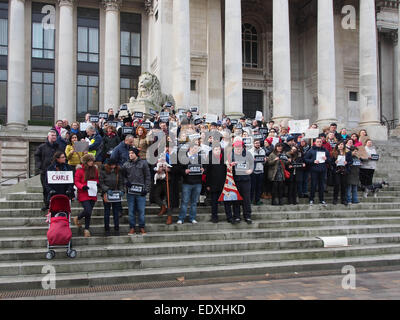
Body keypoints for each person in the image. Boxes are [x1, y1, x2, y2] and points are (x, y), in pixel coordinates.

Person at [121, 147, 151, 235]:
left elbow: (148, 177)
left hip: (141, 191)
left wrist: (146, 189)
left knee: (141, 211)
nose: (130, 155)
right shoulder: (126, 164)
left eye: (132, 153)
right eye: (129, 153)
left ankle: (142, 227)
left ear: (136, 154)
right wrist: (126, 183)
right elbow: (123, 176)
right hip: (130, 192)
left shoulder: (143, 163)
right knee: (131, 211)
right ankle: (132, 227)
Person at [73, 154, 99, 238]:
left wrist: (97, 184)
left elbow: (97, 178)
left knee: (89, 212)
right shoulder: (80, 170)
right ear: (86, 162)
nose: (91, 162)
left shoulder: (94, 169)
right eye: (90, 161)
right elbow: (76, 181)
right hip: (83, 192)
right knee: (87, 210)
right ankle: (78, 217)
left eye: (92, 161)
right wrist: (82, 186)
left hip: (92, 192)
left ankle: (86, 229)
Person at [177, 144, 204, 224]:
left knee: (194, 202)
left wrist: (203, 169)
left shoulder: (200, 158)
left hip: (197, 183)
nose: (196, 150)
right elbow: (179, 169)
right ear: (190, 148)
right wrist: (184, 171)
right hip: (187, 183)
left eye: (197, 148)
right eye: (194, 148)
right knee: (184, 201)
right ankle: (181, 218)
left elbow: (205, 167)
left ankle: (192, 218)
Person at [228, 140, 254, 224]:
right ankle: (237, 216)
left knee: (246, 199)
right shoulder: (231, 155)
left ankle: (248, 216)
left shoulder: (248, 154)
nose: (238, 149)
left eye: (239, 147)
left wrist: (250, 170)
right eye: (236, 147)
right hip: (235, 179)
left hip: (246, 179)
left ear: (242, 147)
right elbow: (227, 166)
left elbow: (252, 164)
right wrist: (231, 165)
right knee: (236, 198)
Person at [35, 130, 60, 211]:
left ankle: (54, 204)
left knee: (55, 189)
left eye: (55, 135)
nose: (54, 137)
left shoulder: (58, 147)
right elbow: (37, 156)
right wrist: (39, 166)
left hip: (56, 171)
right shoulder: (42, 146)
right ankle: (46, 204)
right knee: (46, 189)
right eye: (52, 135)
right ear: (48, 136)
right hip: (45, 171)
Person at [99, 158, 124, 236]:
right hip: (106, 194)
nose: (113, 166)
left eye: (114, 165)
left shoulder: (118, 171)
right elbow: (101, 183)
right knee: (107, 212)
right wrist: (107, 189)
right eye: (112, 165)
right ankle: (107, 229)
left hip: (116, 194)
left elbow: (121, 182)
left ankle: (116, 229)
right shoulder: (103, 171)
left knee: (116, 212)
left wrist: (122, 190)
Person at [304, 137, 330, 206]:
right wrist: (313, 161)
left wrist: (326, 159)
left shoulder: (325, 150)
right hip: (314, 170)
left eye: (320, 142)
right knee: (313, 185)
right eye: (318, 142)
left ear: (322, 142)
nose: (319, 143)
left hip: (323, 170)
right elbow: (305, 159)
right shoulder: (311, 150)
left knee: (322, 185)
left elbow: (330, 160)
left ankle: (321, 199)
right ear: (315, 142)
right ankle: (311, 199)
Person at [205, 145, 227, 223]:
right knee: (214, 201)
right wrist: (207, 184)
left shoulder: (224, 158)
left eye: (219, 149)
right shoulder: (210, 159)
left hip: (223, 183)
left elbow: (227, 171)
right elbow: (207, 173)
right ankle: (214, 217)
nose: (217, 150)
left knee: (226, 201)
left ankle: (229, 216)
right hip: (213, 184)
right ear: (213, 150)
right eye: (215, 149)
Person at [249, 139, 266, 205]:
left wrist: (265, 160)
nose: (257, 144)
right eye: (256, 143)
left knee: (259, 187)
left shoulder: (263, 150)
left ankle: (257, 200)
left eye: (258, 143)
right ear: (253, 144)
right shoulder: (250, 151)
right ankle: (250, 200)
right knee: (252, 187)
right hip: (253, 171)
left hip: (261, 170)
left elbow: (264, 161)